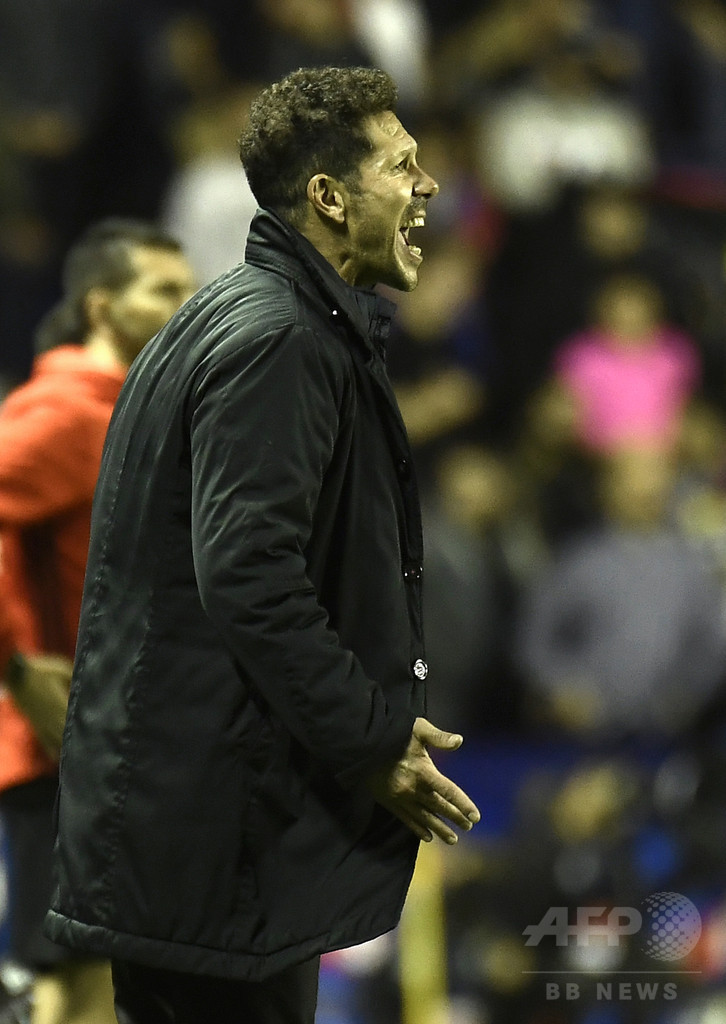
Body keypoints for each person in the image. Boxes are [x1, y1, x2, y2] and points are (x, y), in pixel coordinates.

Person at [44, 65, 481, 1024]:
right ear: (328, 196)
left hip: (197, 828)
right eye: (401, 165)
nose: (428, 185)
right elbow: (249, 574)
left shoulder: (238, 311)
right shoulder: (280, 338)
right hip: (211, 840)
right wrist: (370, 739)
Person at [0, 217, 195, 1024]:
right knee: (78, 986)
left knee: (97, 982)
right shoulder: (68, 413)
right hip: (67, 755)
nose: (186, 307)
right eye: (164, 291)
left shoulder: (131, 410)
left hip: (117, 746)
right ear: (101, 307)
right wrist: (15, 668)